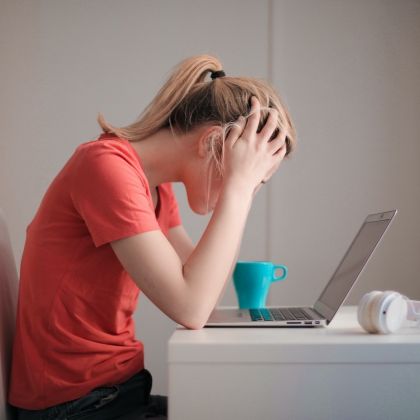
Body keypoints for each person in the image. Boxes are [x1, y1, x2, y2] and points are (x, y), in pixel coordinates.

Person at [8, 55, 296, 419]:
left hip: (117, 392)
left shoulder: (155, 189)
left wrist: (240, 188)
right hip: (74, 406)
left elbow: (204, 294)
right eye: (251, 173)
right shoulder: (105, 168)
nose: (248, 186)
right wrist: (237, 191)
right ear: (210, 143)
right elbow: (191, 307)